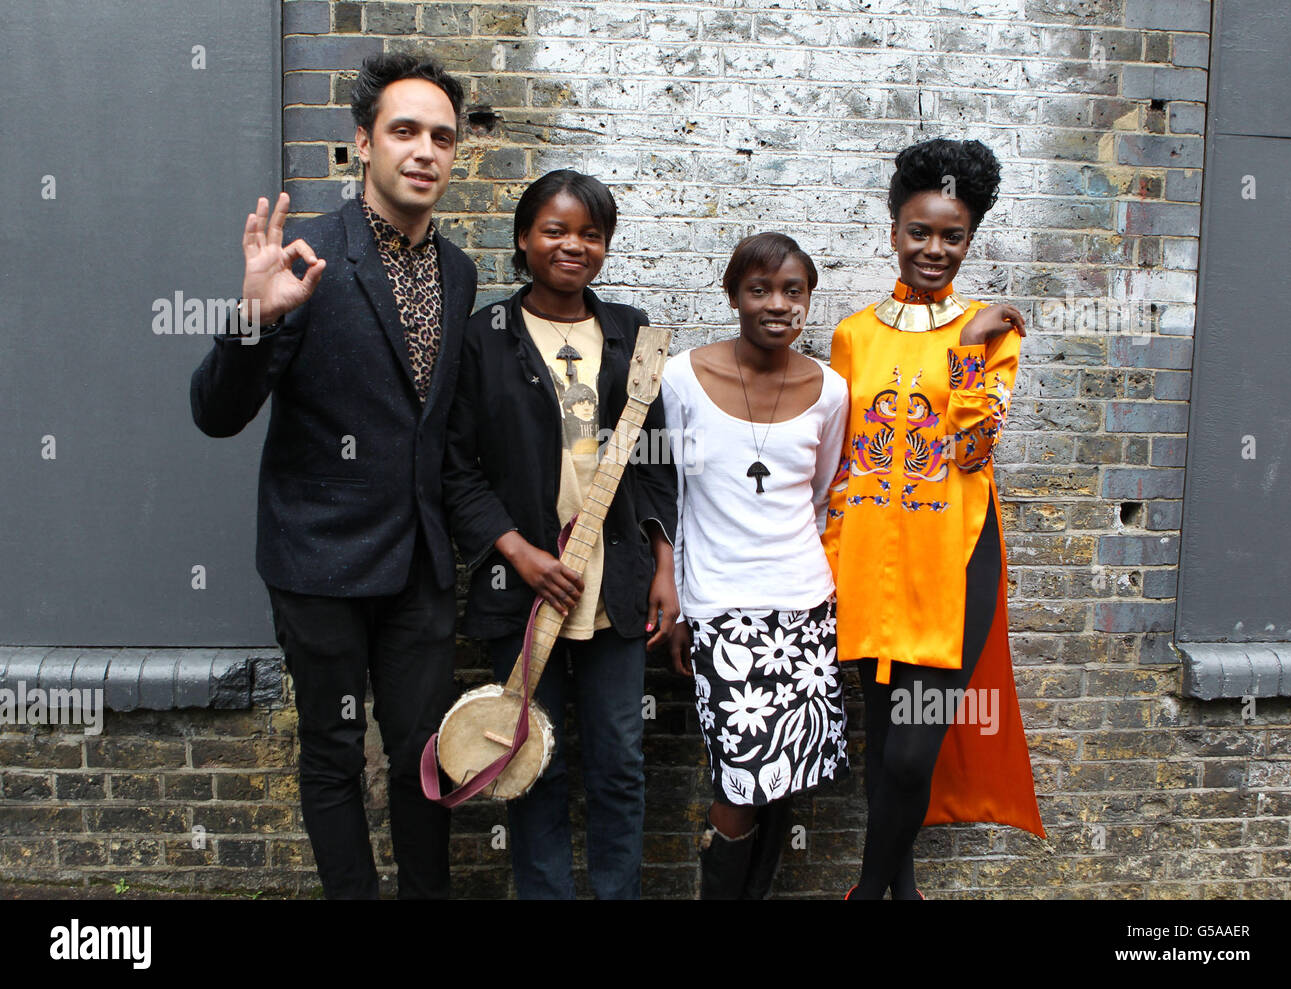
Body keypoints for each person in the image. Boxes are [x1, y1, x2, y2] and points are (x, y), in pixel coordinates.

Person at [190, 53, 476, 899]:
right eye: (404, 131)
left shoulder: (457, 273)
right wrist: (250, 323)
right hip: (318, 563)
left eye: (442, 137)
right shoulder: (305, 258)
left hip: (419, 568)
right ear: (362, 144)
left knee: (429, 757)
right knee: (332, 753)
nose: (425, 150)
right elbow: (216, 412)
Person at [442, 169, 678, 899]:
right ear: (523, 239)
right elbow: (455, 467)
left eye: (590, 233)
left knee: (619, 761)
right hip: (525, 594)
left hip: (617, 591)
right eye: (555, 230)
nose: (573, 245)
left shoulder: (633, 334)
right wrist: (519, 552)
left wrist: (664, 563)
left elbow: (658, 460)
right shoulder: (485, 336)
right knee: (528, 760)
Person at [823, 138, 1044, 901]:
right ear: (893, 231)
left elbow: (972, 450)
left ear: (970, 240)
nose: (934, 248)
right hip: (871, 558)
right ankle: (902, 894)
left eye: (953, 235)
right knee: (883, 744)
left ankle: (864, 892)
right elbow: (845, 464)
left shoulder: (992, 332)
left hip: (954, 557)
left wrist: (971, 353)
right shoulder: (852, 336)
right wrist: (829, 554)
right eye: (920, 231)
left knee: (915, 752)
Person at [664, 232, 850, 899]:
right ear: (733, 295)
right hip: (723, 611)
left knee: (785, 777)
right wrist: (680, 600)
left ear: (808, 301)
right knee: (739, 782)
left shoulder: (831, 390)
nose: (777, 304)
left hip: (803, 608)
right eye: (760, 289)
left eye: (793, 291)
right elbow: (673, 496)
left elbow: (824, 492)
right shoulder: (683, 377)